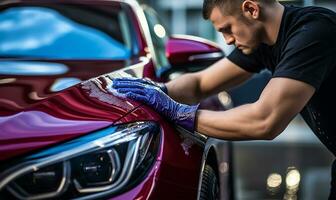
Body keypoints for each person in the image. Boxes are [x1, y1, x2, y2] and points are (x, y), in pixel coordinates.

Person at [111, 0, 336, 198]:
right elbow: (200, 84)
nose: (227, 40)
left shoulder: (314, 33)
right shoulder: (263, 41)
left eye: (228, 29)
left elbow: (265, 120)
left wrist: (179, 113)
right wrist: (160, 90)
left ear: (251, 9)